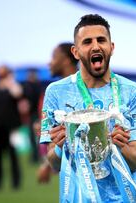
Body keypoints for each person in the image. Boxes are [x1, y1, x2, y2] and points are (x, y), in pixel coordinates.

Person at [40, 14, 136, 202]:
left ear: (111, 47)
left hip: (124, 198)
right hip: (79, 198)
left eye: (101, 40)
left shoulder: (132, 91)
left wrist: (120, 145)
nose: (95, 46)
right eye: (87, 42)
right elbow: (53, 162)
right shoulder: (55, 92)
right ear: (75, 52)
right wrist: (59, 148)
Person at [36, 42, 78, 183]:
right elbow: (58, 138)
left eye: (54, 57)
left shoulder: (83, 88)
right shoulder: (55, 92)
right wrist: (47, 164)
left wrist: (46, 166)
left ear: (66, 60)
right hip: (70, 177)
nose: (49, 63)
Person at [0, 65, 22, 190]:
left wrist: (10, 82)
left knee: (13, 156)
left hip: (11, 128)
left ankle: (16, 183)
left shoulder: (12, 86)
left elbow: (18, 94)